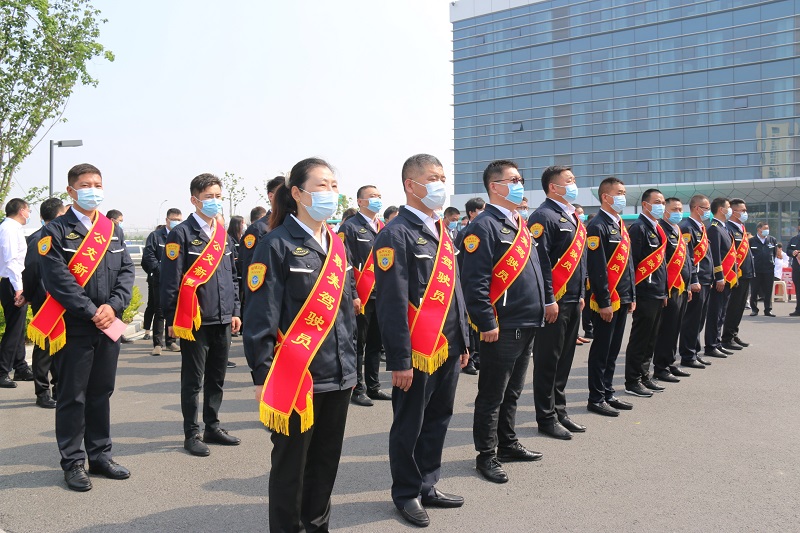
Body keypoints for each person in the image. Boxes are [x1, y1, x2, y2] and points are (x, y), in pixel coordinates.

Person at [243, 158, 357, 532]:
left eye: (334, 185)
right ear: (297, 193)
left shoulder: (336, 244)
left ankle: (317, 526)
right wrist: (262, 375)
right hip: (296, 378)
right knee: (291, 467)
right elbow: (260, 317)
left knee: (325, 464)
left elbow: (345, 313)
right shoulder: (275, 244)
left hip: (339, 374)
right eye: (322, 185)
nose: (331, 193)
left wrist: (352, 365)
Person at [373, 154, 469, 528]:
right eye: (432, 178)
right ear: (411, 185)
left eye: (442, 177)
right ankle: (406, 493)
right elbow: (392, 303)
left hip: (448, 346)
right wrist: (399, 359)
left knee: (439, 418)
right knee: (409, 424)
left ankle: (429, 484)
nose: (440, 184)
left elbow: (455, 292)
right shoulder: (395, 234)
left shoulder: (442, 230)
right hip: (416, 351)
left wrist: (464, 342)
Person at [31, 163, 134, 491]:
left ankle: (100, 456)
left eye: (98, 184)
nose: (93, 190)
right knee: (72, 396)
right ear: (71, 191)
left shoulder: (112, 229)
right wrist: (91, 312)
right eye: (86, 185)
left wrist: (113, 306)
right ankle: (73, 462)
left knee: (101, 392)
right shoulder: (55, 231)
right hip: (74, 326)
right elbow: (57, 281)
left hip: (108, 325)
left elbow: (127, 272)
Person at [461, 159, 545, 484]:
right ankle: (486, 454)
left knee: (513, 391)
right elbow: (475, 282)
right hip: (502, 325)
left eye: (520, 179)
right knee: (492, 394)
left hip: (527, 321)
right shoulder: (483, 226)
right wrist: (486, 322)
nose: (520, 184)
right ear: (495, 187)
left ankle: (507, 444)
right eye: (513, 180)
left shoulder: (519, 224)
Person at [160, 173, 242, 457]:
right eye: (209, 197)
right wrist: (172, 318)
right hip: (194, 321)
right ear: (194, 200)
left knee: (217, 377)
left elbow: (233, 277)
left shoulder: (223, 235)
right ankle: (191, 433)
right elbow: (170, 280)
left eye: (218, 196)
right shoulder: (181, 234)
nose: (215, 201)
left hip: (223, 318)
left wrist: (235, 310)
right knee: (193, 381)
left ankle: (212, 426)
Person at [527, 165, 587, 440]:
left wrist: (581, 294)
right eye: (569, 180)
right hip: (555, 302)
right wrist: (549, 299)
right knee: (548, 361)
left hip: (573, 299)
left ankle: (560, 411)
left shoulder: (571, 215)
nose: (574, 185)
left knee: (564, 360)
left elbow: (580, 261)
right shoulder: (543, 216)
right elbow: (541, 263)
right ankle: (546, 417)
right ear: (553, 187)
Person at [585, 177, 635, 417]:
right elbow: (597, 268)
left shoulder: (620, 224)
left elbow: (629, 265)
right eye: (619, 193)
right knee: (602, 350)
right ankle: (596, 397)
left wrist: (631, 295)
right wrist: (604, 301)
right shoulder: (597, 225)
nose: (623, 197)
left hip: (623, 296)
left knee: (613, 349)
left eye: (624, 192)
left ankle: (608, 392)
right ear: (606, 197)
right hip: (607, 300)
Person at [339, 184, 392, 407]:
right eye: (372, 196)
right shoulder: (350, 227)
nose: (376, 199)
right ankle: (357, 388)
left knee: (375, 343)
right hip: (362, 294)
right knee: (358, 344)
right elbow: (345, 264)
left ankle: (373, 386)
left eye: (379, 195)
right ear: (360, 201)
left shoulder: (384, 227)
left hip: (382, 294)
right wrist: (352, 294)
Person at [22, 197, 67, 407]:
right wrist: (30, 296)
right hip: (46, 300)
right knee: (45, 347)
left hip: (64, 299)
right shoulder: (38, 238)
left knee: (60, 345)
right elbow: (31, 271)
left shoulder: (65, 236)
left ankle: (59, 388)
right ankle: (42, 392)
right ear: (59, 215)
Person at [623, 189, 668, 398]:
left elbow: (662, 265)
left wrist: (664, 291)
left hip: (657, 292)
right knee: (640, 338)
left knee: (651, 338)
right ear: (645, 205)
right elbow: (631, 264)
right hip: (644, 292)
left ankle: (644, 375)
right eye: (657, 202)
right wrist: (633, 295)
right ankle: (632, 380)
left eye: (663, 202)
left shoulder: (657, 228)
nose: (661, 206)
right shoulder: (639, 228)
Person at [651, 198, 694, 383]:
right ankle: (661, 367)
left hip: (681, 287)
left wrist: (688, 285)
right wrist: (664, 290)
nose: (678, 212)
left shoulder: (676, 229)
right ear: (665, 211)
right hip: (669, 288)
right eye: (674, 209)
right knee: (666, 329)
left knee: (675, 328)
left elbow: (686, 260)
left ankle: (669, 362)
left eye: (680, 208)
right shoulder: (662, 230)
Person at [0, 198, 33, 389]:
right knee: (14, 329)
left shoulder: (13, 228)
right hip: (13, 283)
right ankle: (2, 371)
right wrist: (19, 287)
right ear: (21, 210)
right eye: (28, 210)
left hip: (15, 282)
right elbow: (12, 260)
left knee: (19, 328)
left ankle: (20, 367)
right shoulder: (9, 229)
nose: (29, 214)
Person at [678, 195, 714, 369]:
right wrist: (693, 279)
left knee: (699, 320)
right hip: (697, 280)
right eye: (706, 208)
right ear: (696, 208)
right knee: (691, 320)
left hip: (706, 279)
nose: (708, 211)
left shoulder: (701, 227)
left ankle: (694, 352)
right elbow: (689, 257)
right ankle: (687, 355)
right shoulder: (687, 227)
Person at [141, 209, 183, 356]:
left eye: (179, 219)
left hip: (176, 280)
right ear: (167, 220)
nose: (176, 222)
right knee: (159, 310)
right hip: (159, 279)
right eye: (174, 219)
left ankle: (171, 342)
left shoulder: (181, 235)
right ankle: (157, 344)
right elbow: (149, 255)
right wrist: (160, 270)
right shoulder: (156, 236)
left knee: (173, 309)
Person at [454, 197, 485, 375]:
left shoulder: (485, 228)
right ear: (472, 213)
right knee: (470, 325)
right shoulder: (466, 232)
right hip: (467, 284)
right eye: (481, 209)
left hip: (482, 283)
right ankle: (470, 358)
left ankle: (478, 356)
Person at [704, 198, 736, 358]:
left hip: (728, 277)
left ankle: (717, 343)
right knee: (715, 312)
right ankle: (711, 345)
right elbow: (715, 256)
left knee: (722, 312)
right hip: (721, 278)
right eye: (728, 207)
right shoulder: (714, 229)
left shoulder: (724, 228)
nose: (730, 210)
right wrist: (719, 277)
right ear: (720, 209)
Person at [720, 199, 753, 351]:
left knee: (740, 307)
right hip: (736, 275)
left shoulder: (741, 228)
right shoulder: (729, 228)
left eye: (745, 210)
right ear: (733, 212)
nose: (745, 213)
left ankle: (733, 333)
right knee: (733, 307)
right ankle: (726, 338)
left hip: (746, 273)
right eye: (742, 210)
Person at [240, 177, 286, 283]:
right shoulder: (258, 228)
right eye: (284, 193)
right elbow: (249, 267)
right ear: (271, 196)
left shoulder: (294, 224)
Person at [749, 222, 777, 317]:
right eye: (765, 228)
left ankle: (768, 310)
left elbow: (774, 253)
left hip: (768, 269)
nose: (767, 230)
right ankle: (754, 309)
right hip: (756, 270)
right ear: (759, 229)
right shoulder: (752, 241)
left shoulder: (772, 240)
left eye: (767, 228)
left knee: (768, 290)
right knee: (754, 290)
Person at [573, 204, 591, 345]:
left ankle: (576, 334)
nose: (582, 215)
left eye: (582, 213)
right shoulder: (575, 229)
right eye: (579, 213)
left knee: (581, 306)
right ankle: (574, 335)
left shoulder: (582, 229)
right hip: (572, 276)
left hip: (583, 273)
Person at [227, 215, 245, 344]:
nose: (244, 226)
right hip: (235, 275)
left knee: (242, 302)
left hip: (241, 275)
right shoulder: (230, 238)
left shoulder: (241, 238)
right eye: (242, 223)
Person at [788, 225, 800, 316]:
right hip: (797, 268)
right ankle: (798, 309)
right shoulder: (794, 239)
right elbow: (788, 250)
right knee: (798, 289)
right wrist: (793, 252)